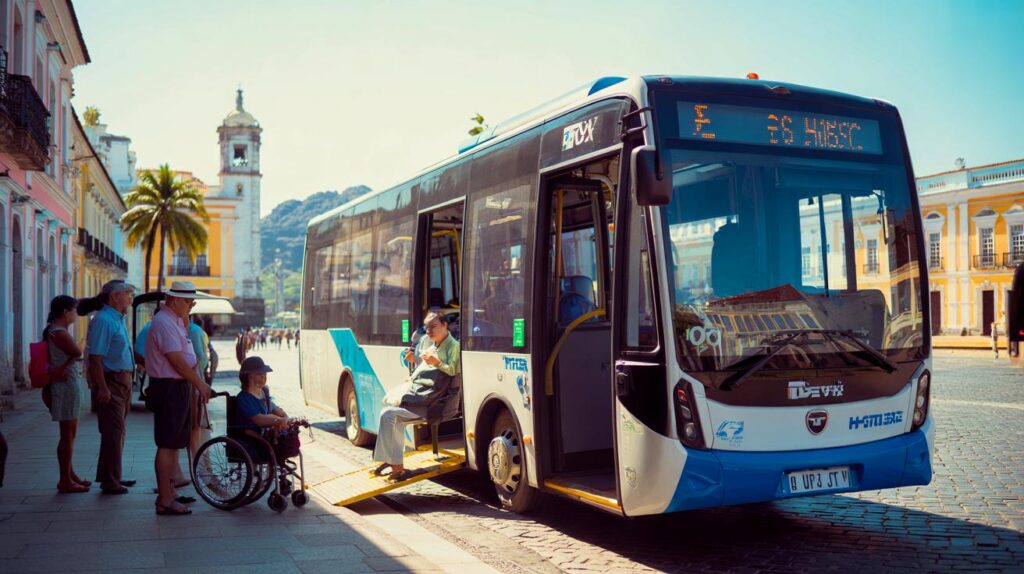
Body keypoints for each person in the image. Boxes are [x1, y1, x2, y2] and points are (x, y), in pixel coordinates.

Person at [145, 281, 212, 516]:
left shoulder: (175, 321)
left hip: (177, 386)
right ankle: (164, 499)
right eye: (187, 301)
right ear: (173, 299)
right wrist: (199, 383)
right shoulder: (164, 322)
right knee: (167, 444)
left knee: (174, 443)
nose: (191, 305)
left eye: (193, 301)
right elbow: (176, 360)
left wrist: (184, 320)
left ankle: (170, 491)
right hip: (169, 387)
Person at [372, 312, 460, 482]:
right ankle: (395, 464)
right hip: (424, 398)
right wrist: (415, 360)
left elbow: (454, 371)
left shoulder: (453, 346)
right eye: (427, 327)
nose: (429, 331)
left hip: (436, 404)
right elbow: (429, 371)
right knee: (390, 416)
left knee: (389, 415)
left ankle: (394, 464)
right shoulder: (434, 345)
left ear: (444, 325)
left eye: (433, 326)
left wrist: (438, 362)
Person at [85, 279, 137, 495]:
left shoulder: (118, 319)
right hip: (111, 382)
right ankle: (110, 481)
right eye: (127, 293)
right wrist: (103, 388)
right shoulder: (104, 320)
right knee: (113, 433)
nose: (130, 297)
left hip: (123, 382)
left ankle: (112, 475)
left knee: (117, 432)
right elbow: (95, 358)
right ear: (114, 296)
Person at [43, 295, 89, 493]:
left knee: (70, 433)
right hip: (66, 385)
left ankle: (70, 474)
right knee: (67, 434)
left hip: (67, 383)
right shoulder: (59, 333)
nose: (76, 314)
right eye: (74, 310)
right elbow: (77, 352)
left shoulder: (55, 331)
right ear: (65, 312)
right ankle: (65, 479)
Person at [235, 356, 295, 459]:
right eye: (260, 374)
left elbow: (276, 409)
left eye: (265, 374)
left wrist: (285, 417)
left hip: (264, 435)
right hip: (249, 437)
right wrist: (278, 420)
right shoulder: (244, 398)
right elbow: (259, 420)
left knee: (288, 443)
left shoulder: (263, 393)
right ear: (249, 375)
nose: (264, 377)